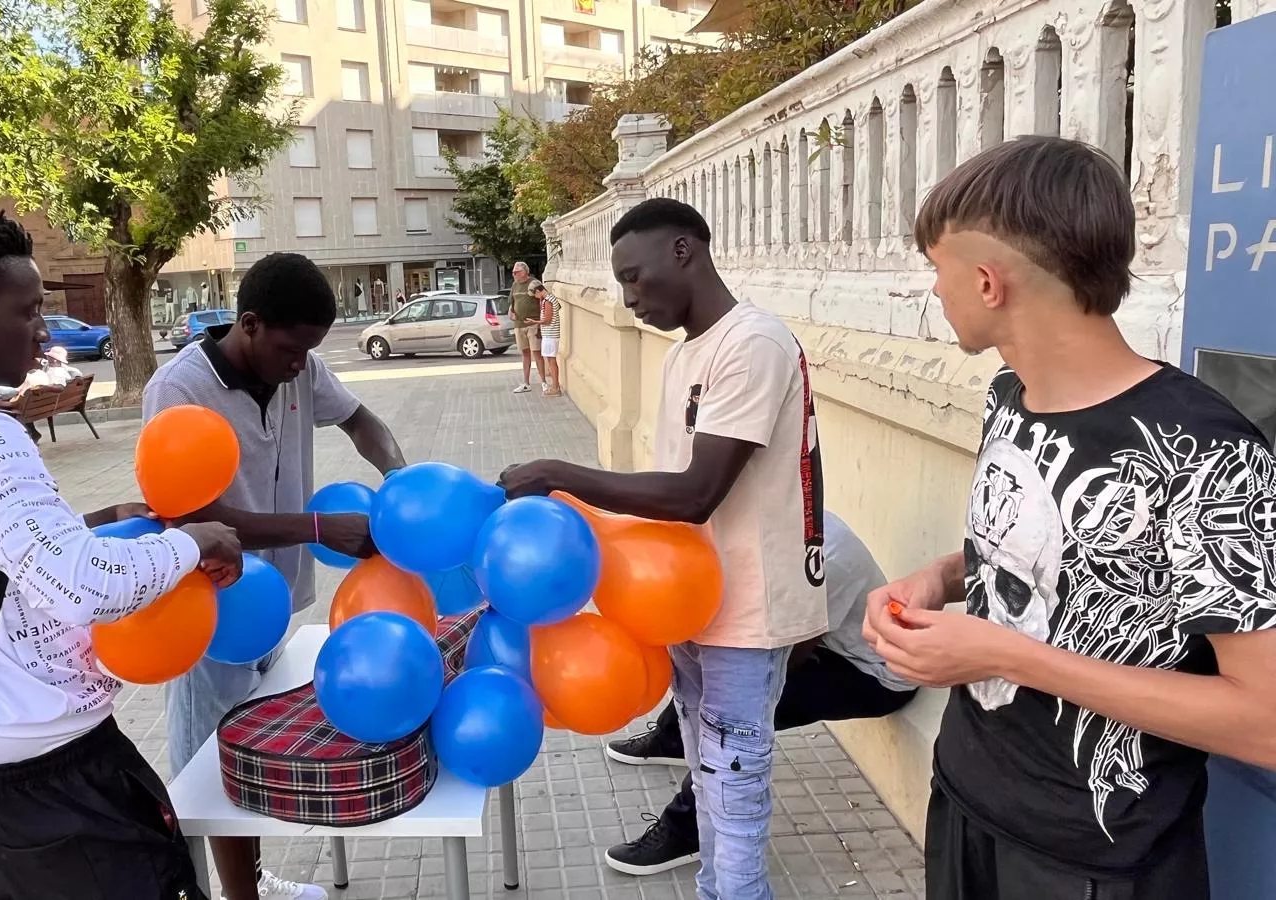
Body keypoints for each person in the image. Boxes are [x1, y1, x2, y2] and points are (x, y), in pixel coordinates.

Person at [861, 136, 1276, 900]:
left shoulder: (1207, 453)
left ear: (988, 282)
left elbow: (1265, 722)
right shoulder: (1008, 397)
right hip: (966, 800)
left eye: (936, 271)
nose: (933, 293)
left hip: (1096, 863)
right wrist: (943, 576)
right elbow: (1046, 549)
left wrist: (1004, 654)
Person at [0, 204, 245, 900]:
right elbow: (85, 587)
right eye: (29, 309)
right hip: (53, 769)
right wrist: (193, 542)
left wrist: (94, 521)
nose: (42, 331)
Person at [501, 197, 827, 900]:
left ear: (684, 251)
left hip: (745, 607)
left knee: (733, 782)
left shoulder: (753, 344)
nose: (627, 297)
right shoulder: (685, 355)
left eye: (634, 277)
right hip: (684, 602)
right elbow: (666, 495)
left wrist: (560, 475)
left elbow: (694, 493)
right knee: (707, 771)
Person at [143, 251, 407, 900]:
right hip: (214, 609)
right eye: (293, 348)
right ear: (251, 324)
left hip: (273, 604)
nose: (302, 365)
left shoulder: (300, 368)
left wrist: (402, 483)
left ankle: (250, 883)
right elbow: (187, 514)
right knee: (212, 767)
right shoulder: (179, 391)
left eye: (311, 351)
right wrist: (319, 529)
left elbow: (359, 420)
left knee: (253, 751)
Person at [603, 511, 915, 876]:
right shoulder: (762, 520)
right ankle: (672, 739)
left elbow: (780, 662)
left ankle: (684, 833)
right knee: (701, 661)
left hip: (871, 675)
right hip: (826, 644)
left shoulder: (821, 557)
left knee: (730, 720)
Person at [509, 261, 541, 393]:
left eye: (517, 272)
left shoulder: (534, 284)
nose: (514, 275)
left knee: (536, 353)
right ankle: (526, 383)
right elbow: (512, 301)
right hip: (519, 325)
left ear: (525, 272)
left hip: (533, 324)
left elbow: (544, 299)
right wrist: (510, 311)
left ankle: (543, 381)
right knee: (525, 353)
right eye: (513, 273)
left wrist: (540, 320)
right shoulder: (514, 285)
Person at [529, 279, 563, 397]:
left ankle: (555, 387)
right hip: (551, 334)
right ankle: (555, 386)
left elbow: (547, 320)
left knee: (551, 361)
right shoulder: (551, 299)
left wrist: (535, 321)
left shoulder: (547, 301)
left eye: (536, 295)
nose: (536, 297)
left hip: (550, 334)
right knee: (550, 360)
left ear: (539, 291)